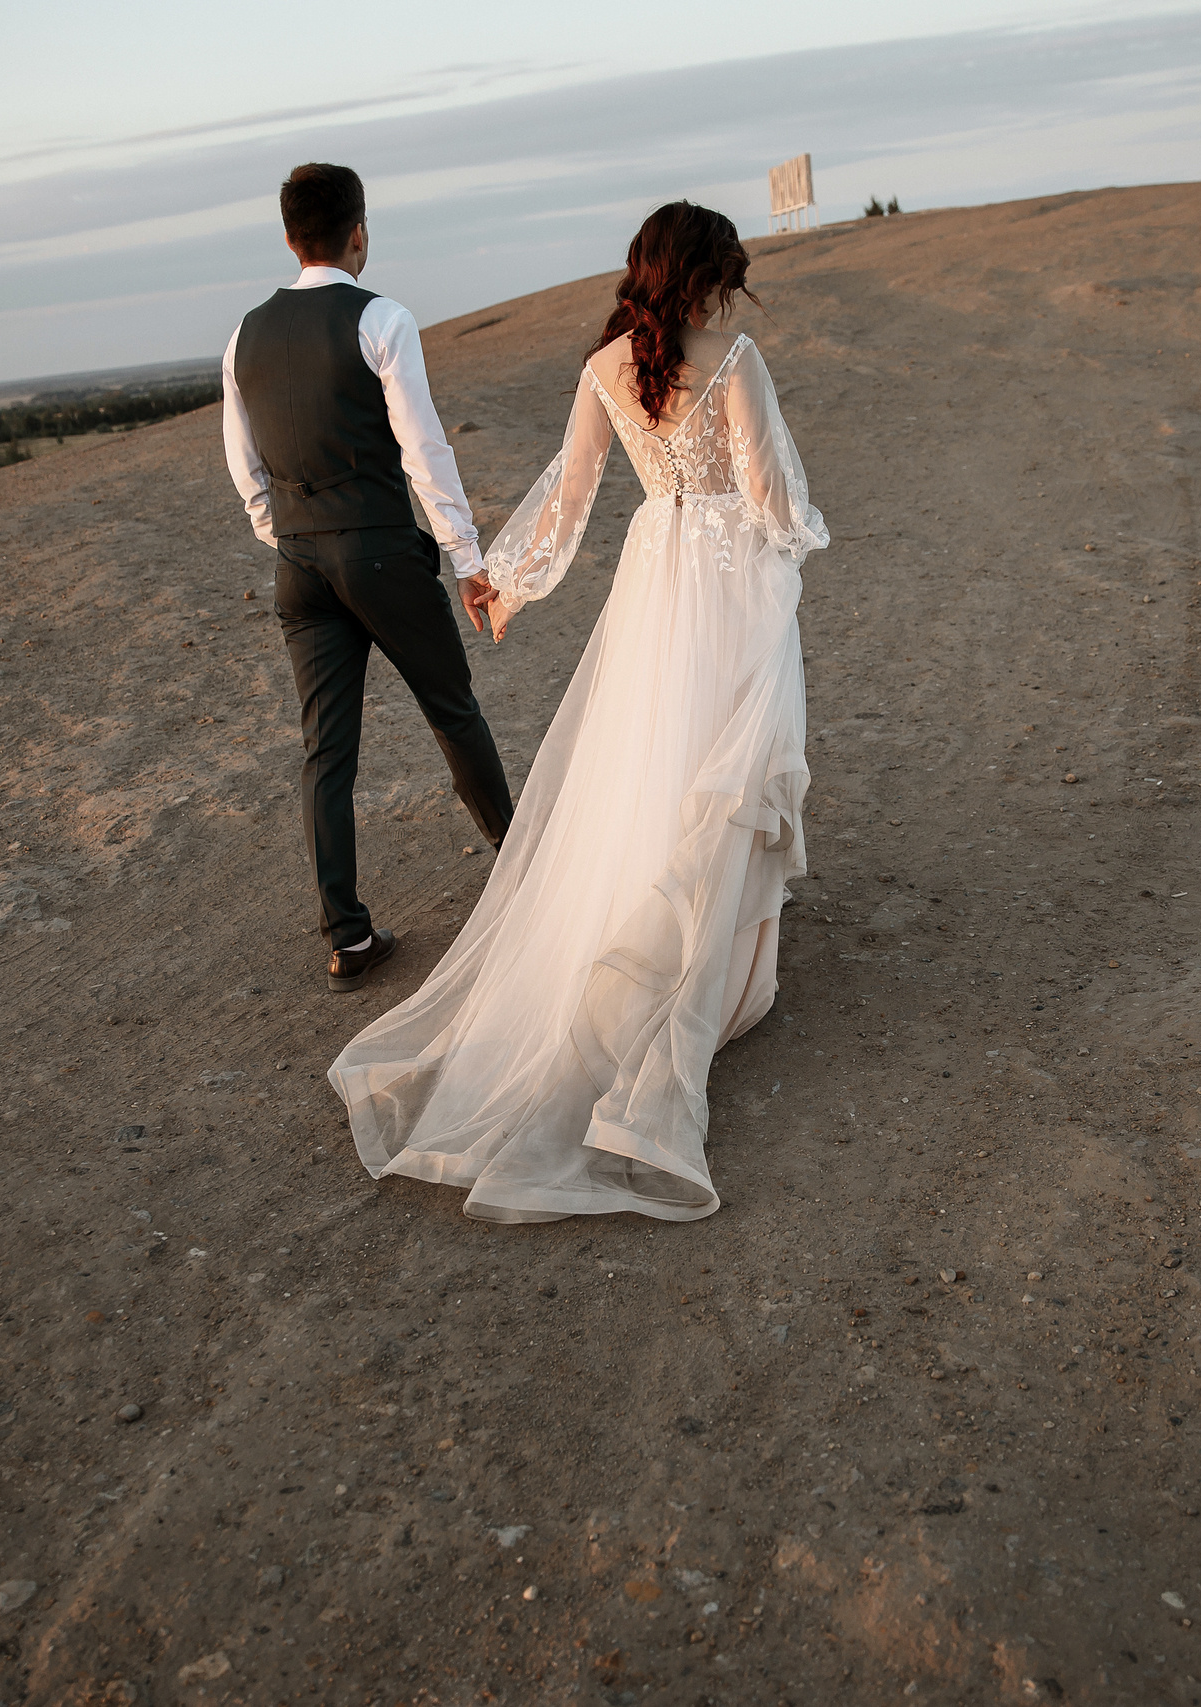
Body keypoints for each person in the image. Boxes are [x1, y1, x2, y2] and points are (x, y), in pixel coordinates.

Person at [329, 201, 827, 1223]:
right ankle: (701, 984)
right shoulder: (734, 359)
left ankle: (642, 954)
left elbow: (568, 497)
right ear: (704, 275)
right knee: (721, 773)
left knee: (653, 766)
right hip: (728, 581)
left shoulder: (603, 368)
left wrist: (504, 587)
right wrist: (797, 538)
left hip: (654, 581)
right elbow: (773, 497)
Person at [221, 163, 513, 992]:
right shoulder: (381, 318)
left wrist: (284, 533)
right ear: (359, 232)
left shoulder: (244, 335)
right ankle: (520, 865)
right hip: (382, 552)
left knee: (327, 751)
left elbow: (244, 465)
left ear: (287, 236)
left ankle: (347, 936)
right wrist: (467, 558)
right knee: (453, 711)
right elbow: (423, 449)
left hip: (299, 565)